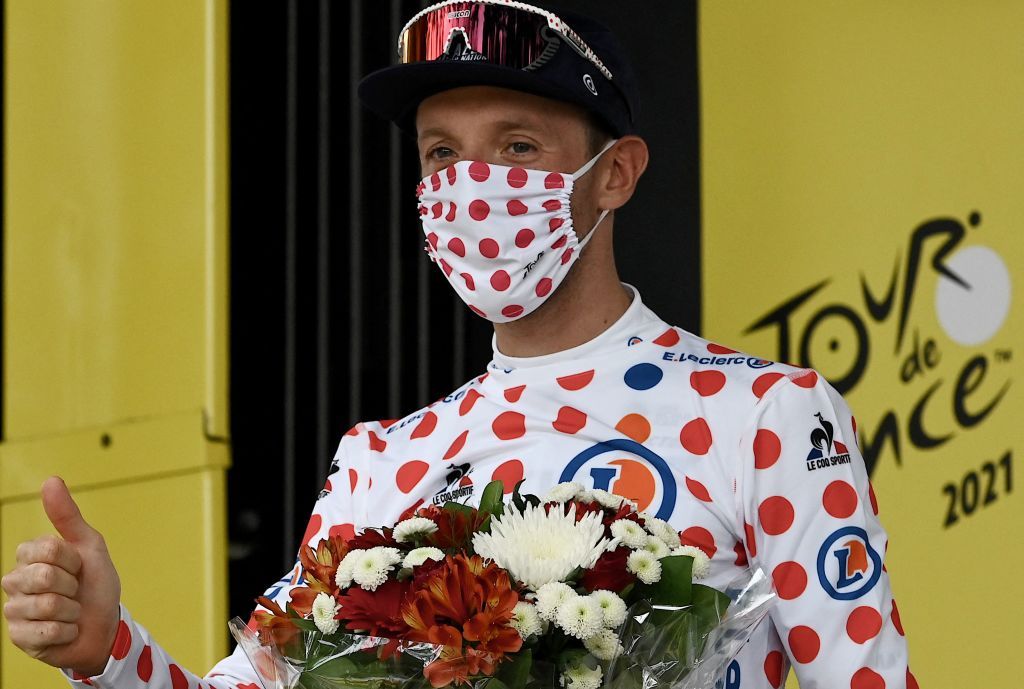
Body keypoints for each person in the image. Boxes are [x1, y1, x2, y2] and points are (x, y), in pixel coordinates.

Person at [2, 2, 915, 688]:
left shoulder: (767, 412)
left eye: (517, 147)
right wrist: (106, 647)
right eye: (442, 154)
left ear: (618, 176)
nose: (473, 187)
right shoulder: (377, 461)